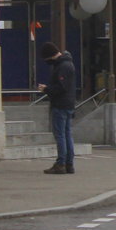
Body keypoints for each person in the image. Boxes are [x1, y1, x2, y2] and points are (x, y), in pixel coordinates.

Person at [38, 41, 76, 174]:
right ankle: (69, 163)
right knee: (67, 134)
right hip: (69, 104)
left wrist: (46, 89)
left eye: (46, 59)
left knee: (60, 135)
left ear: (50, 56)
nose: (47, 62)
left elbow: (61, 87)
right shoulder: (68, 63)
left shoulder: (62, 66)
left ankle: (61, 163)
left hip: (60, 104)